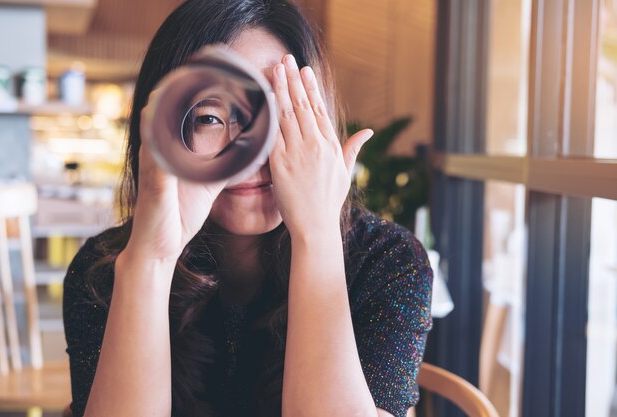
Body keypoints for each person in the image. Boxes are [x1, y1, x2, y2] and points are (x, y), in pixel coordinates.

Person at [62, 1, 433, 416]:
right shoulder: (103, 271)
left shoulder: (386, 262)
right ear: (160, 133)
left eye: (277, 112)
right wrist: (151, 261)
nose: (248, 150)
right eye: (209, 118)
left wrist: (317, 236)